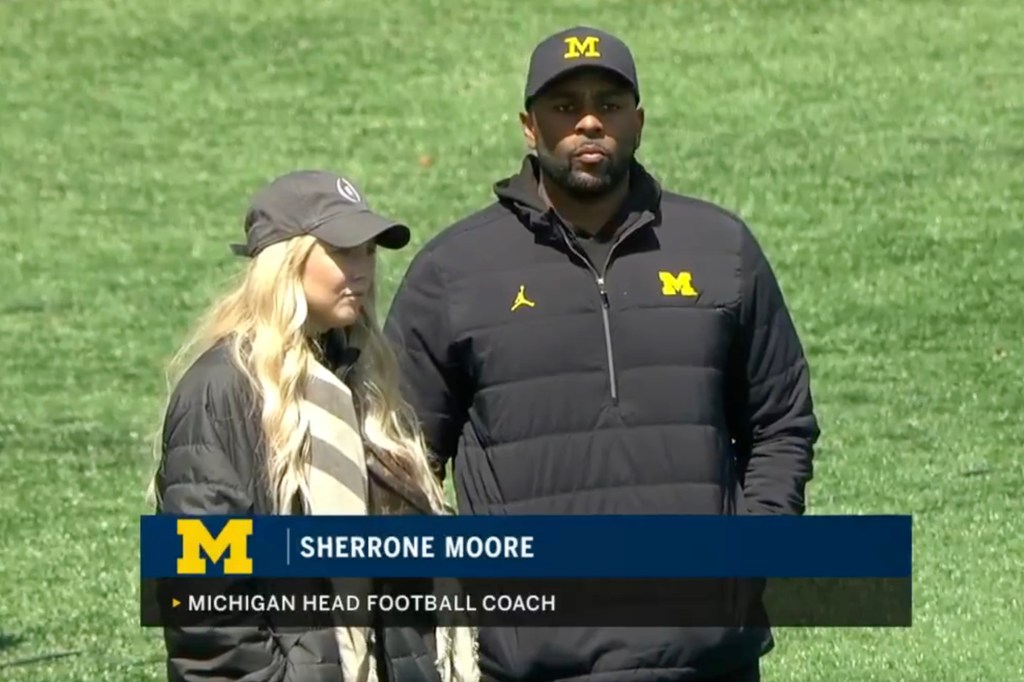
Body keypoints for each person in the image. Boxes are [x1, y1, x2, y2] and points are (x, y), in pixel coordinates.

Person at [382, 26, 820, 682]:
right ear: (529, 128)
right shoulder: (455, 272)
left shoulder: (720, 250)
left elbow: (780, 421)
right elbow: (398, 465)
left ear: (638, 121)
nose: (589, 121)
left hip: (705, 658)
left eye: (609, 104)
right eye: (565, 107)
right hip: (528, 662)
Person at [147, 170, 481, 682]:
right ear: (286, 263)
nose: (363, 270)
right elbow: (202, 594)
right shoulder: (221, 392)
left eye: (368, 252)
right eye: (343, 252)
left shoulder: (361, 380)